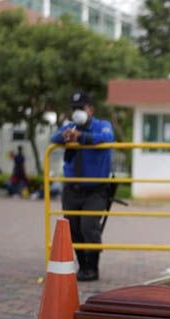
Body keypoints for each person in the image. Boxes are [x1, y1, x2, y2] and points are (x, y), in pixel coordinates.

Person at [51, 91, 115, 282]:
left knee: (89, 226)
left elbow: (107, 137)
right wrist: (65, 136)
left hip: (95, 190)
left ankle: (93, 268)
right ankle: (83, 266)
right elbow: (54, 137)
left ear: (91, 110)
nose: (77, 112)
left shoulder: (102, 125)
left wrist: (82, 137)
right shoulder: (69, 127)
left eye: (80, 108)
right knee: (73, 228)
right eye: (74, 108)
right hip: (72, 189)